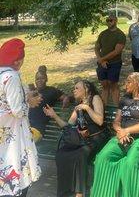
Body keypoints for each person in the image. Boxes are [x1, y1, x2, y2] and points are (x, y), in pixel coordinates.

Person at [90, 72, 139, 197]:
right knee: (102, 158)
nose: (125, 84)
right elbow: (116, 121)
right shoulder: (125, 99)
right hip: (121, 137)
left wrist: (127, 131)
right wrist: (120, 131)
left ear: (136, 83)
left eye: (128, 82)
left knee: (131, 164)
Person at [44, 80, 110, 197]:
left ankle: (79, 193)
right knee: (62, 153)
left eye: (77, 88)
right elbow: (68, 126)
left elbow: (99, 120)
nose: (73, 90)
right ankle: (66, 191)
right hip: (82, 140)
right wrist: (54, 115)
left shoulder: (95, 98)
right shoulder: (78, 106)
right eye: (73, 88)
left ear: (87, 89)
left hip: (97, 137)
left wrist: (87, 108)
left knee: (81, 154)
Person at [0, 38, 41, 197]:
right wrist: (29, 102)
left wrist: (24, 95)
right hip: (14, 134)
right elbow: (17, 111)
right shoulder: (11, 76)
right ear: (17, 60)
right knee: (17, 169)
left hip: (3, 132)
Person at [29, 65, 71, 142]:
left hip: (37, 129)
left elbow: (65, 96)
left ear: (46, 79)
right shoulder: (32, 93)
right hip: (25, 127)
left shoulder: (51, 91)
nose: (39, 81)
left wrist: (66, 99)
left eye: (42, 78)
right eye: (37, 79)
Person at [95, 13, 126, 105]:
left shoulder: (120, 35)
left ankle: (117, 109)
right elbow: (97, 47)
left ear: (116, 21)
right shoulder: (103, 34)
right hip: (102, 63)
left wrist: (102, 59)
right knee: (104, 85)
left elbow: (117, 51)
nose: (109, 22)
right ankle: (103, 108)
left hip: (114, 63)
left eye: (111, 20)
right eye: (107, 20)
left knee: (113, 85)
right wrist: (101, 60)